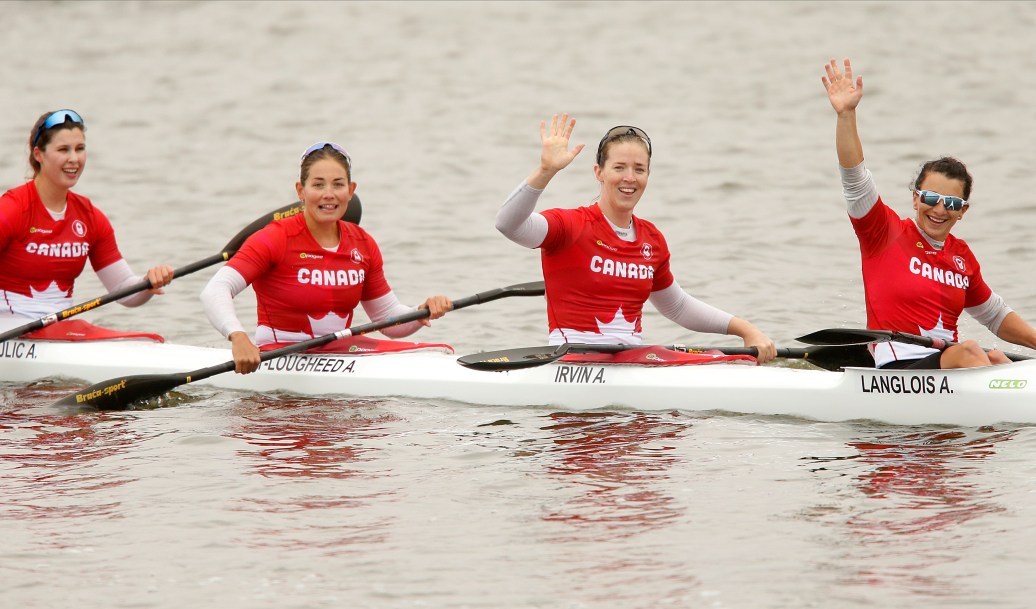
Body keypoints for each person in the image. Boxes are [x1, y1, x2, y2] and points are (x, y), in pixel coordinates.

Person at [494, 114, 776, 363]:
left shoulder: (651, 240)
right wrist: (545, 171)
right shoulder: (569, 226)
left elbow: (677, 306)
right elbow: (508, 225)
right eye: (619, 168)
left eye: (639, 169)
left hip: (631, 364)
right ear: (599, 173)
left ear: (648, 175)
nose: (629, 178)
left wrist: (746, 329)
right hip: (573, 363)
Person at [821, 58, 1036, 369]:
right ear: (915, 199)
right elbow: (855, 180)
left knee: (998, 357)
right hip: (899, 370)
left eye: (951, 203)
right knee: (972, 351)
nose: (939, 209)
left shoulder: (962, 258)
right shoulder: (883, 232)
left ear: (962, 211)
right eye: (931, 198)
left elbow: (995, 315)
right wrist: (846, 115)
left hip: (947, 365)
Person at [200, 142, 452, 374]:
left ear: (351, 191)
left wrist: (421, 312)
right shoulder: (274, 238)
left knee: (438, 352)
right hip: (281, 354)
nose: (329, 194)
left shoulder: (363, 243)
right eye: (318, 185)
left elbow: (388, 319)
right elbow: (215, 290)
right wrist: (238, 336)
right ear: (301, 191)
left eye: (338, 185)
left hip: (341, 352)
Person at [0, 109, 174, 332]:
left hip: (60, 330)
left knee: (143, 338)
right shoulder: (12, 210)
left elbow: (122, 289)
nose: (74, 158)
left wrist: (148, 283)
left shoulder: (90, 217)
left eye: (79, 149)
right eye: (63, 149)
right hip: (10, 329)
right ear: (38, 154)